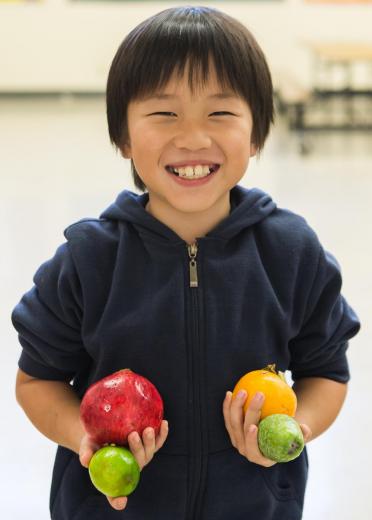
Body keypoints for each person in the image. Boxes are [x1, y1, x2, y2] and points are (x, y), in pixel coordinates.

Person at [11, 5, 360, 520]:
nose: (193, 137)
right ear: (124, 136)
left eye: (220, 113)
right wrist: (83, 437)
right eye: (163, 113)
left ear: (257, 131)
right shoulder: (89, 260)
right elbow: (36, 381)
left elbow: (326, 373)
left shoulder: (290, 252)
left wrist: (296, 429)